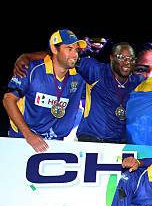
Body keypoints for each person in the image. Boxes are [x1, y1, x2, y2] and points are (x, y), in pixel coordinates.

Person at [12, 42, 145, 143]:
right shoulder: (96, 71)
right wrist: (27, 57)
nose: (127, 62)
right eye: (121, 57)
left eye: (131, 58)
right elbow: (61, 58)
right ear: (111, 58)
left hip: (120, 143)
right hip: (92, 139)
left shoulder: (138, 82)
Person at [4, 29, 86, 152]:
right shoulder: (31, 69)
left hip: (55, 143)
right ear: (54, 49)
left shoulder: (79, 77)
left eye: (76, 50)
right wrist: (29, 135)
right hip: (22, 139)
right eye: (69, 49)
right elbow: (8, 100)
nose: (75, 54)